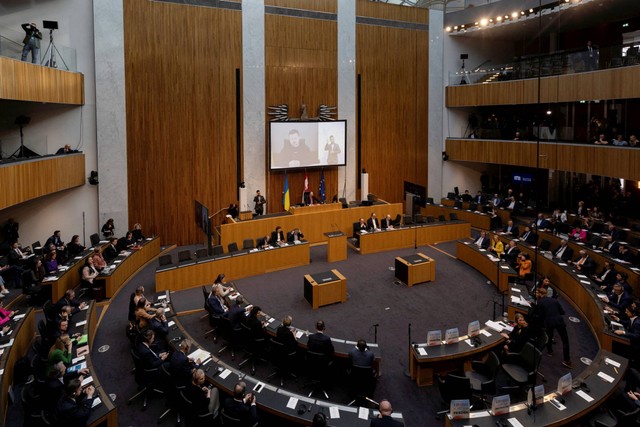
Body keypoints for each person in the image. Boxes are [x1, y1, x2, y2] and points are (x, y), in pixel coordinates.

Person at [534, 287, 572, 368]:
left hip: (549, 322)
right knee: (565, 341)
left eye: (537, 293)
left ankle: (550, 351)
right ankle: (567, 360)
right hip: (559, 321)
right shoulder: (554, 300)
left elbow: (540, 316)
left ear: (540, 294)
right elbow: (562, 312)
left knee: (550, 336)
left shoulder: (540, 302)